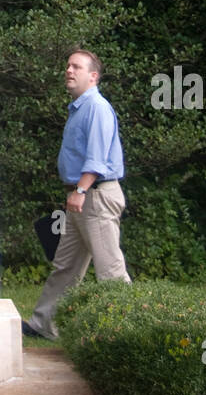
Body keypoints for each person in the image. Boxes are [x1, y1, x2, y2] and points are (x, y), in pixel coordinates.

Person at [23, 49, 131, 340]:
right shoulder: (79, 108)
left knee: (110, 268)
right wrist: (76, 193)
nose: (69, 71)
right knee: (66, 266)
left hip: (94, 196)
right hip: (83, 197)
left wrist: (81, 190)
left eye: (77, 67)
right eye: (68, 66)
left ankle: (131, 332)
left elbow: (96, 159)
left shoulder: (96, 107)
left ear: (93, 76)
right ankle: (44, 324)